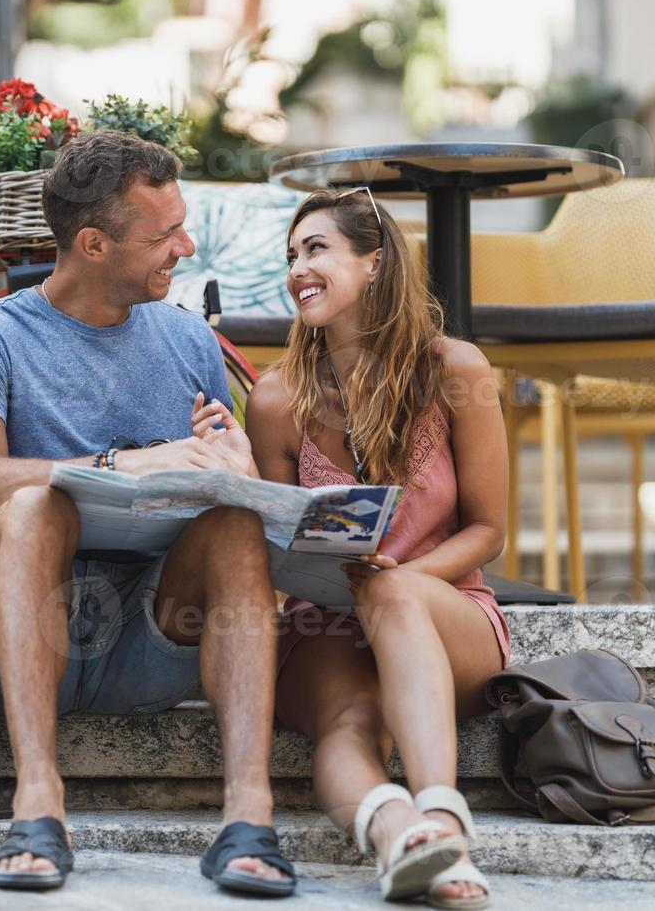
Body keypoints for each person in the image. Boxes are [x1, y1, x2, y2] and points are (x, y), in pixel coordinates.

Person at [0, 130, 295, 896]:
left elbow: (233, 477)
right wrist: (120, 465)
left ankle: (249, 816)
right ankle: (38, 803)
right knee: (33, 507)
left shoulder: (188, 336)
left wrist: (238, 469)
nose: (187, 248)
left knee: (232, 523)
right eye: (165, 236)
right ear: (93, 242)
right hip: (26, 635)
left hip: (152, 638)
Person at [237, 188, 511, 908]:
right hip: (322, 621)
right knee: (349, 722)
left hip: (447, 613)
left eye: (317, 249)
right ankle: (400, 839)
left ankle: (444, 818)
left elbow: (489, 530)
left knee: (390, 594)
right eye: (291, 256)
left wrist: (394, 581)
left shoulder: (457, 371)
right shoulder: (275, 400)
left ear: (374, 263)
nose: (298, 268)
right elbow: (275, 538)